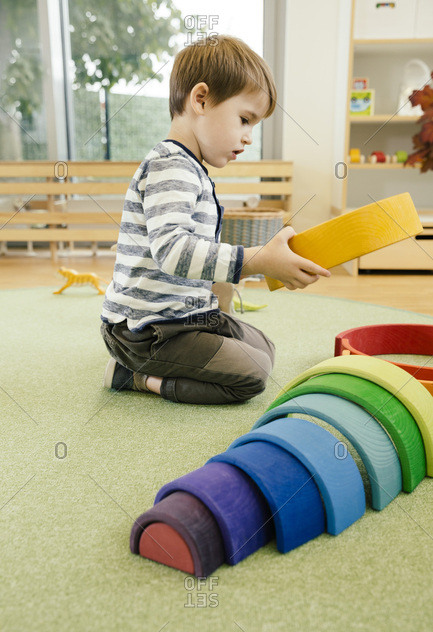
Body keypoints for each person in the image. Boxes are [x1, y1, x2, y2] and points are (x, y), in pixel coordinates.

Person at [100, 34, 330, 405]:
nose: (248, 137)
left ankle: (158, 363)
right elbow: (173, 251)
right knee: (251, 376)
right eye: (244, 119)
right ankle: (134, 376)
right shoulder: (170, 166)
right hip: (147, 329)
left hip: (184, 315)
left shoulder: (191, 168)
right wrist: (254, 261)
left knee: (265, 350)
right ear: (201, 99)